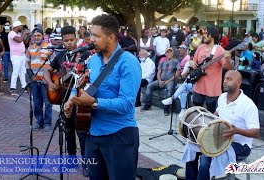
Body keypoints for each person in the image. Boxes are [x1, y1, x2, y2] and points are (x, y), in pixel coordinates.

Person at [63, 14, 141, 179]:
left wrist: (94, 102)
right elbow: (81, 85)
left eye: (96, 36)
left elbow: (127, 104)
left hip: (119, 135)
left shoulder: (129, 62)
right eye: (91, 35)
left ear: (111, 37)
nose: (91, 40)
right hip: (93, 134)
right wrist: (71, 99)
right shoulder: (92, 61)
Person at [185, 70, 260, 180]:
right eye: (224, 79)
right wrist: (206, 119)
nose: (225, 81)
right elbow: (217, 113)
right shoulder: (222, 97)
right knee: (191, 146)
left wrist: (236, 131)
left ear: (238, 82)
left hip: (240, 146)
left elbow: (256, 132)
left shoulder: (248, 105)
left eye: (229, 79)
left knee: (207, 157)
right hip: (220, 139)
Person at [43, 26, 91, 176]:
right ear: (62, 41)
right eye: (66, 40)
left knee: (82, 132)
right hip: (63, 98)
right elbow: (46, 70)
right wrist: (50, 83)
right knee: (68, 131)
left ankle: (86, 164)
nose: (69, 43)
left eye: (72, 40)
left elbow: (89, 74)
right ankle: (71, 160)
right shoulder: (61, 55)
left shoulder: (85, 54)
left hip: (80, 98)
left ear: (76, 38)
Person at [189, 26, 233, 113]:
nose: (204, 35)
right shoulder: (200, 47)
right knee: (196, 113)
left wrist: (228, 59)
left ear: (212, 35)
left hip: (212, 90)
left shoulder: (220, 50)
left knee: (211, 115)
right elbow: (194, 61)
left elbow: (229, 68)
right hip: (198, 88)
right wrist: (191, 62)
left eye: (206, 33)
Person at [25, 29, 53, 132]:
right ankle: (39, 121)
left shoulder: (49, 48)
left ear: (42, 36)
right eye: (35, 36)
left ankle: (47, 123)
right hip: (35, 81)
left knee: (48, 102)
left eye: (38, 35)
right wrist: (30, 74)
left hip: (46, 81)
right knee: (37, 103)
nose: (36, 37)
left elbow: (54, 64)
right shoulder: (30, 49)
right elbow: (27, 63)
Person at [141, 47, 180, 116]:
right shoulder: (162, 63)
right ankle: (147, 105)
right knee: (149, 86)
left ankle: (166, 108)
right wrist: (159, 81)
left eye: (170, 52)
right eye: (167, 52)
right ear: (165, 54)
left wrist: (167, 81)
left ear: (173, 53)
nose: (169, 53)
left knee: (170, 89)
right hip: (161, 80)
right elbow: (158, 73)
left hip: (170, 81)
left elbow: (176, 74)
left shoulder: (176, 62)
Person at [8, 21, 30, 94]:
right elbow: (19, 40)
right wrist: (24, 33)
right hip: (15, 56)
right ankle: (12, 87)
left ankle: (24, 86)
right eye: (21, 26)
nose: (22, 28)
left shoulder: (19, 34)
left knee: (22, 72)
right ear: (17, 26)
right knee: (16, 71)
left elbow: (24, 42)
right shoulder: (11, 33)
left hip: (22, 55)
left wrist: (28, 37)